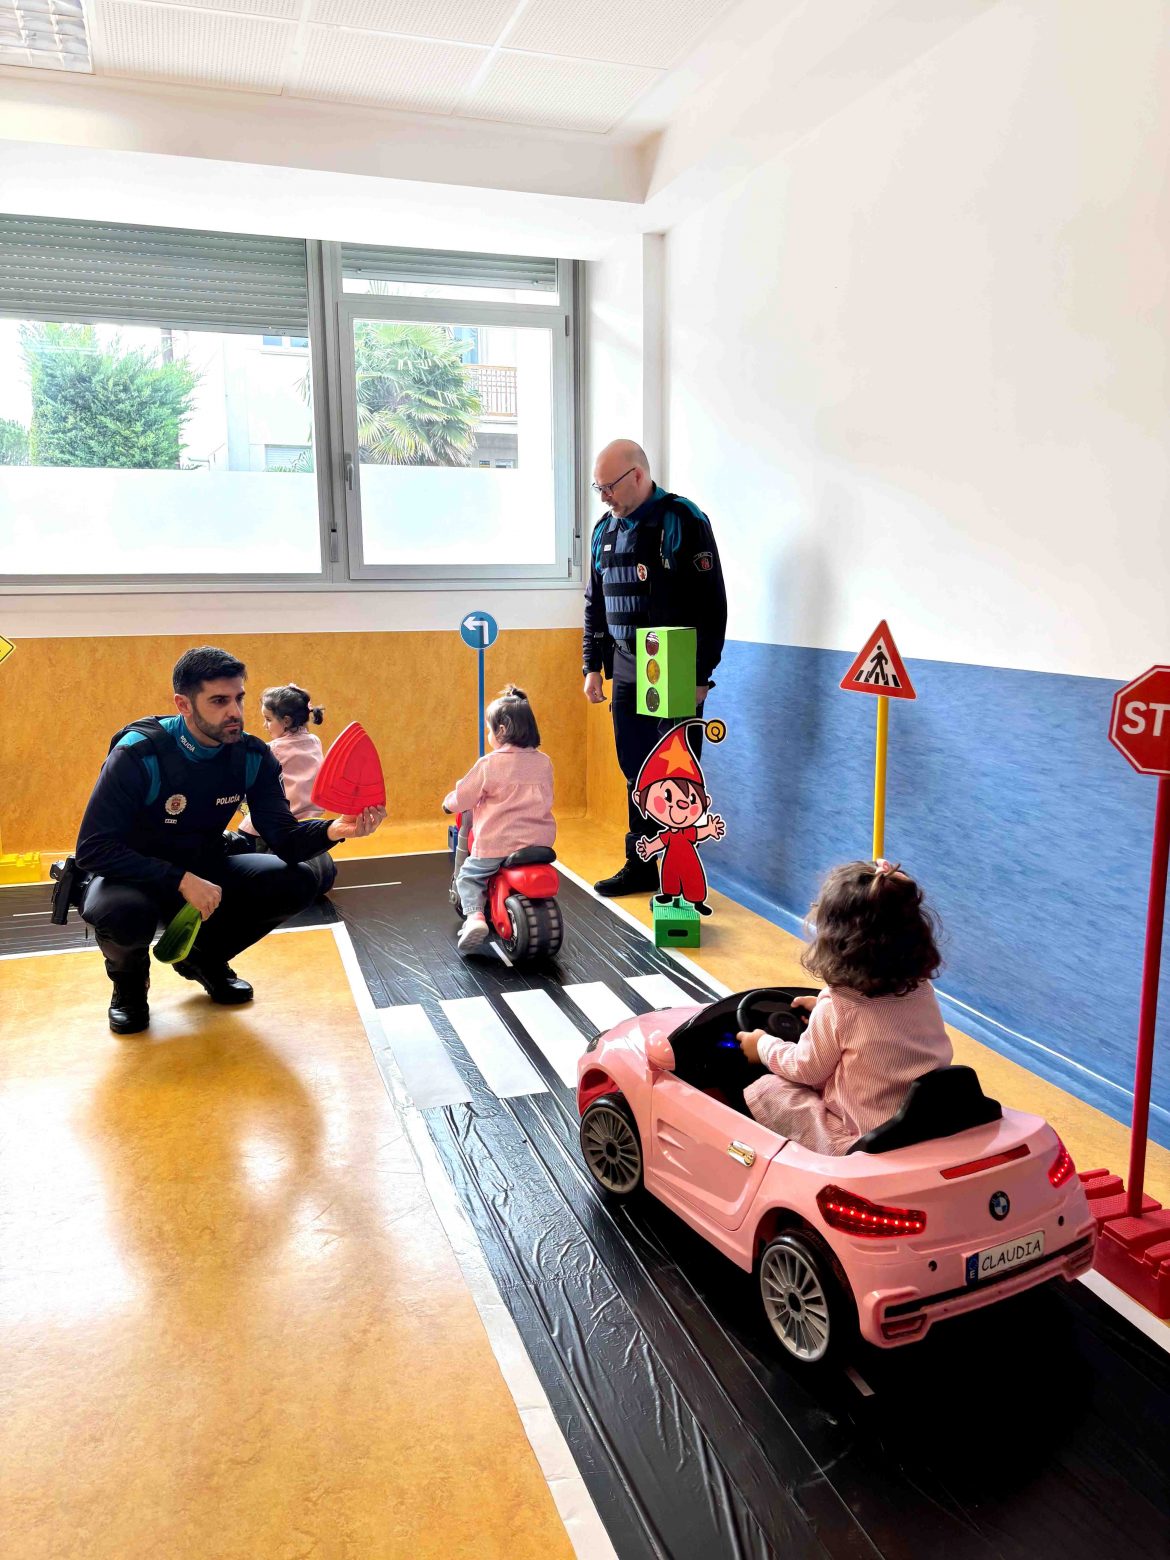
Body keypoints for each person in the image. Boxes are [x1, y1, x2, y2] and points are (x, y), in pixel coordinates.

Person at [76, 646, 386, 1035]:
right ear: (183, 704)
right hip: (131, 875)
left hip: (205, 864)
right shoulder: (139, 753)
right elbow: (92, 848)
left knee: (298, 879)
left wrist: (337, 829)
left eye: (238, 698)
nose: (235, 712)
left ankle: (203, 960)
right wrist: (180, 879)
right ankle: (129, 986)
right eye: (219, 701)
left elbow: (285, 840)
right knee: (119, 914)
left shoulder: (253, 756)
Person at [582, 439, 727, 896]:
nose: (603, 496)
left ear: (638, 476)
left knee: (678, 771)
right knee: (635, 770)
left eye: (609, 486)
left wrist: (701, 676)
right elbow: (595, 604)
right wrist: (592, 666)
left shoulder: (683, 520)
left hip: (674, 664)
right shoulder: (605, 531)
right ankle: (642, 864)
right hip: (626, 663)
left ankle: (683, 872)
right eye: (597, 488)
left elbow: (712, 603)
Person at [736, 860, 952, 1154]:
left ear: (834, 941)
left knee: (770, 1089)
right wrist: (821, 1005)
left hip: (865, 1140)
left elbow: (805, 1069)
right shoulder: (921, 989)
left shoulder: (839, 1008)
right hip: (922, 1122)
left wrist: (762, 1045)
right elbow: (876, 1025)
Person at [442, 685, 555, 956]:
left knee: (469, 876)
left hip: (498, 844)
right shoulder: (544, 762)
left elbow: (464, 797)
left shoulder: (489, 764)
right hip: (539, 844)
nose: (488, 734)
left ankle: (474, 918)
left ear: (502, 730)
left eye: (489, 729)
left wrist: (449, 803)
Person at [238, 682, 337, 895]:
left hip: (278, 825)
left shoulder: (273, 749)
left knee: (245, 830)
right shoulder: (314, 741)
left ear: (286, 721)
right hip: (310, 820)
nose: (265, 726)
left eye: (268, 720)